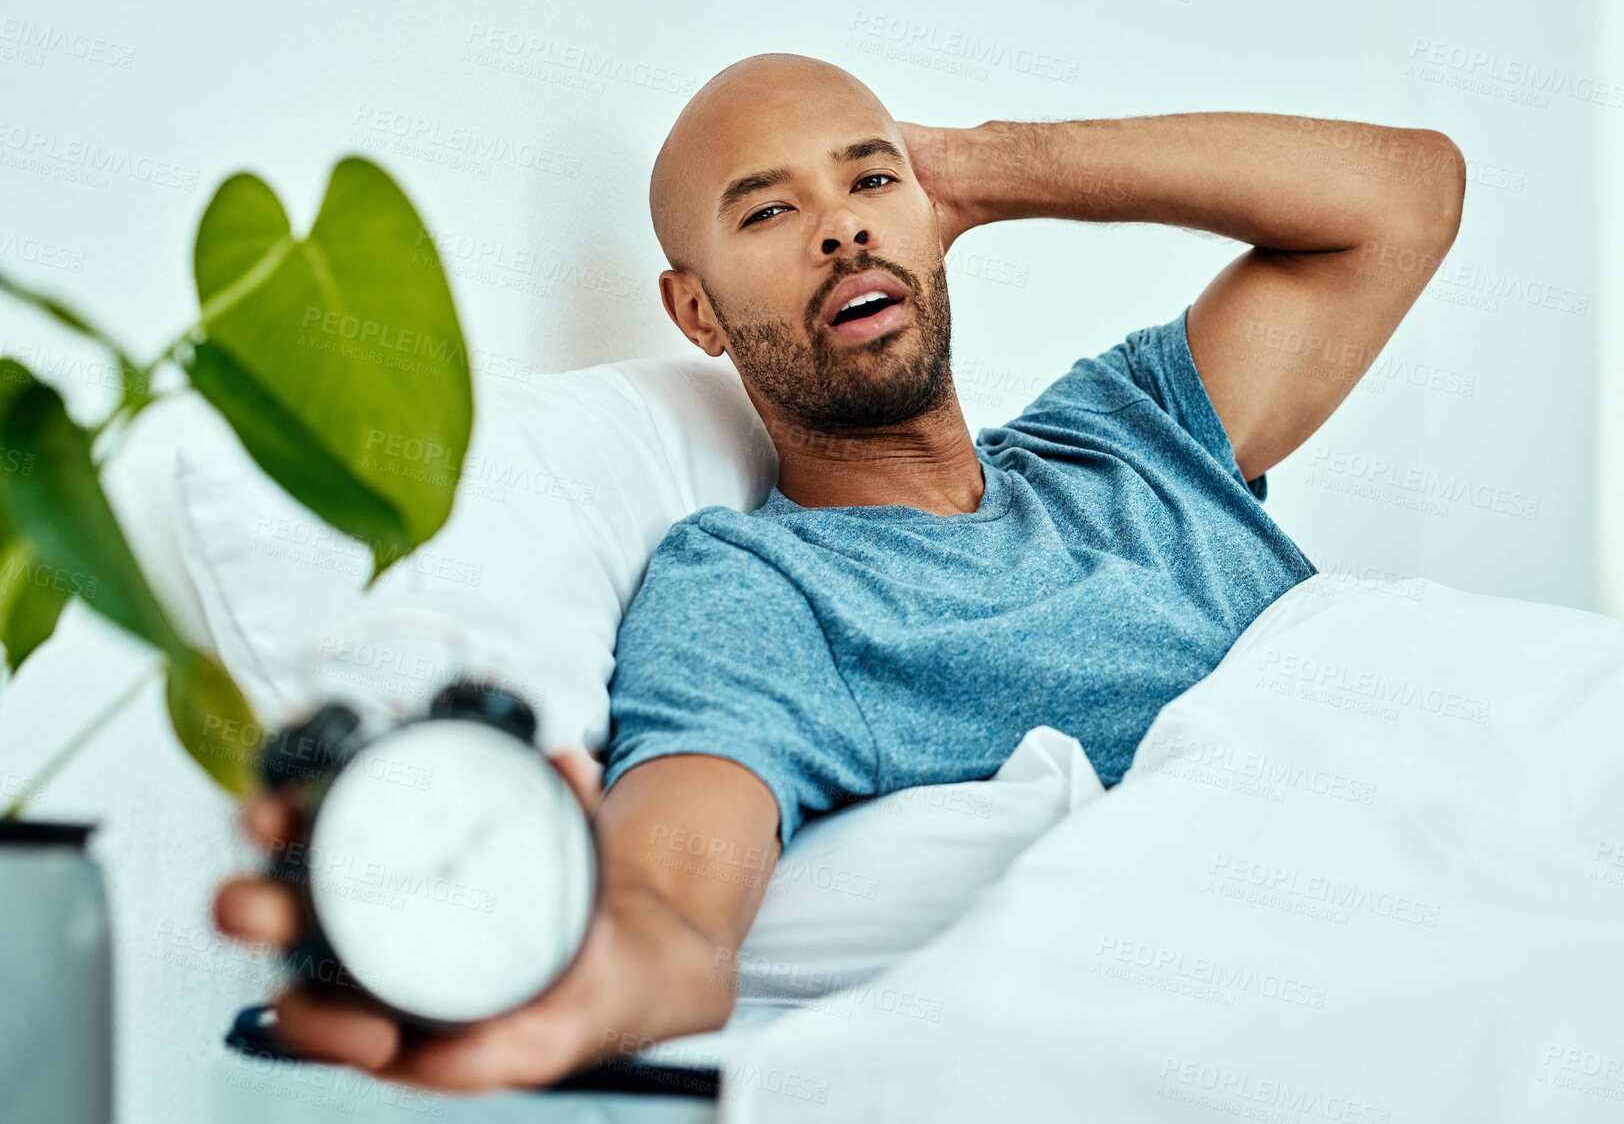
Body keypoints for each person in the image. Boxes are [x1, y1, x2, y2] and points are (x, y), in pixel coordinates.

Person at [213, 53, 1464, 1090]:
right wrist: (554, 967)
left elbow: (1407, 195)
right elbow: (677, 908)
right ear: (696, 313)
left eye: (870, 181)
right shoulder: (758, 592)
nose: (841, 225)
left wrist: (972, 165)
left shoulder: (1134, 430)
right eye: (768, 211)